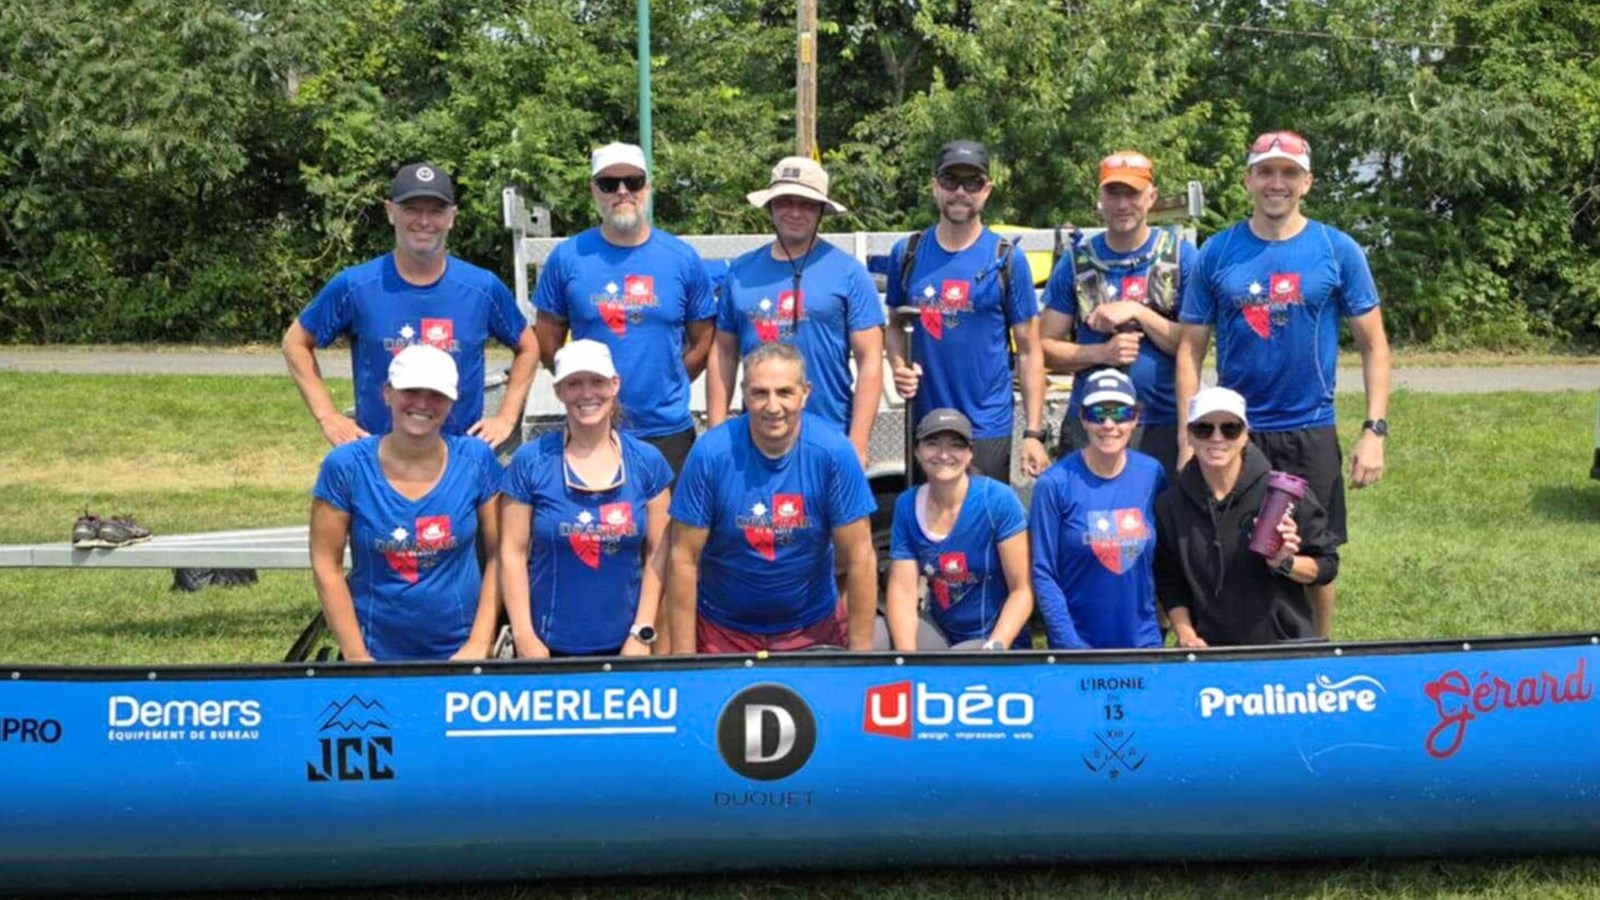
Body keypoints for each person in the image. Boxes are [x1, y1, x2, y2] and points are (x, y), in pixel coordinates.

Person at [1175, 131, 1390, 640]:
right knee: (1229, 543)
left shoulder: (1337, 250)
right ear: (1248, 180)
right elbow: (1189, 352)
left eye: (1289, 173)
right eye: (1266, 172)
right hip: (1234, 432)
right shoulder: (1217, 252)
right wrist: (1192, 438)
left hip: (1309, 426)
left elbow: (1375, 345)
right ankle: (1230, 642)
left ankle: (1318, 650)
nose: (1277, 183)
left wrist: (1374, 431)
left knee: (1317, 549)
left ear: (1307, 182)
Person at [285, 162, 538, 449]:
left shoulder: (482, 288)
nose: (424, 221)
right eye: (412, 209)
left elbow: (528, 346)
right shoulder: (356, 286)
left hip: (459, 461)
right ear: (390, 212)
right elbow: (296, 342)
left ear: (452, 217)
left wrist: (506, 417)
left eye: (436, 211)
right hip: (380, 458)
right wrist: (328, 417)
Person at [666, 343, 878, 653]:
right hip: (723, 631)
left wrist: (862, 656)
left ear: (805, 393)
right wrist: (684, 659)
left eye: (784, 392)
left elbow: (861, 558)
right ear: (744, 394)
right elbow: (683, 558)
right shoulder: (710, 453)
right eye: (760, 393)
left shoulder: (834, 452)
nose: (773, 406)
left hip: (812, 630)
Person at [309, 344, 504, 661]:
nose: (423, 403)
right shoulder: (345, 467)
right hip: (374, 651)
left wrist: (479, 643)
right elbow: (325, 565)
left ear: (452, 402)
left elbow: (501, 553)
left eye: (436, 394)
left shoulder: (476, 460)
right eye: (411, 391)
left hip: (461, 652)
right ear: (387, 393)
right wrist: (357, 657)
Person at [533, 142, 716, 477]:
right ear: (593, 190)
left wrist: (667, 380)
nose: (622, 192)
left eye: (632, 182)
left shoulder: (681, 258)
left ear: (647, 187)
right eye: (609, 184)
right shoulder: (568, 258)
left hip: (666, 429)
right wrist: (582, 386)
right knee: (595, 528)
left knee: (669, 530)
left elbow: (704, 342)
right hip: (593, 427)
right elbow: (547, 342)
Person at [885, 140, 1048, 484]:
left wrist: (1033, 434)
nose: (960, 192)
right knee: (928, 529)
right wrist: (899, 367)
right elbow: (895, 326)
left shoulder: (1006, 259)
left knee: (983, 528)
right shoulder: (908, 253)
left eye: (972, 182)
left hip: (986, 425)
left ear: (987, 190)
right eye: (950, 181)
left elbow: (1031, 351)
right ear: (934, 186)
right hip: (926, 422)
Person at [499, 340, 672, 657]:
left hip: (627, 648)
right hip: (546, 649)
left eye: (597, 382)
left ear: (615, 385)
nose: (586, 393)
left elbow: (659, 554)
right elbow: (512, 552)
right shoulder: (530, 461)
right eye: (574, 384)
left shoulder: (649, 462)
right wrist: (525, 637)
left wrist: (642, 633)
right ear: (558, 391)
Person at [707, 156, 884, 465]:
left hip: (830, 434)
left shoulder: (849, 273)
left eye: (806, 204)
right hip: (757, 436)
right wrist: (716, 432)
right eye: (784, 202)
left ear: (821, 211)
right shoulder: (740, 272)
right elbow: (722, 352)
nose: (795, 212)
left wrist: (858, 443)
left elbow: (871, 360)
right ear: (770, 208)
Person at [1041, 150, 1196, 479]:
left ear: (1151, 197)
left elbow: (1194, 344)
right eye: (1114, 193)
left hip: (1162, 423)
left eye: (1133, 193)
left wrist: (1139, 312)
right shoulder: (1074, 264)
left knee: (1162, 525)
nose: (1123, 204)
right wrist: (1102, 353)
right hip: (1094, 423)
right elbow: (1046, 348)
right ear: (1099, 198)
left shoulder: (1181, 258)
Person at [1154, 387, 1339, 647]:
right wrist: (1186, 634)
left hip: (1279, 648)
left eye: (1230, 429)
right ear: (1189, 436)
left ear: (1245, 436)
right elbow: (1169, 580)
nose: (1217, 438)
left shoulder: (1282, 494)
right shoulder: (1170, 505)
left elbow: (1327, 565)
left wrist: (1286, 563)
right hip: (1208, 652)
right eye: (1204, 429)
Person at [1031, 369, 1166, 649]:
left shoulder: (1152, 474)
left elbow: (1166, 558)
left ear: (1135, 418)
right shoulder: (1054, 484)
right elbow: (1043, 572)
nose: (1108, 424)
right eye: (1097, 414)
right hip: (1078, 645)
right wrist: (1070, 644)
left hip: (1143, 643)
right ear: (1082, 418)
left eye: (1120, 414)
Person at [884, 408, 1033, 651]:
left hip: (995, 639)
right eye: (932, 443)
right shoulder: (907, 504)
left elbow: (1022, 589)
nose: (944, 454)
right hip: (941, 632)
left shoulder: (996, 499)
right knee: (877, 636)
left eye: (956, 445)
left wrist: (996, 647)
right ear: (916, 451)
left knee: (962, 656)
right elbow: (903, 592)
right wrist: (906, 659)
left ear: (970, 454)